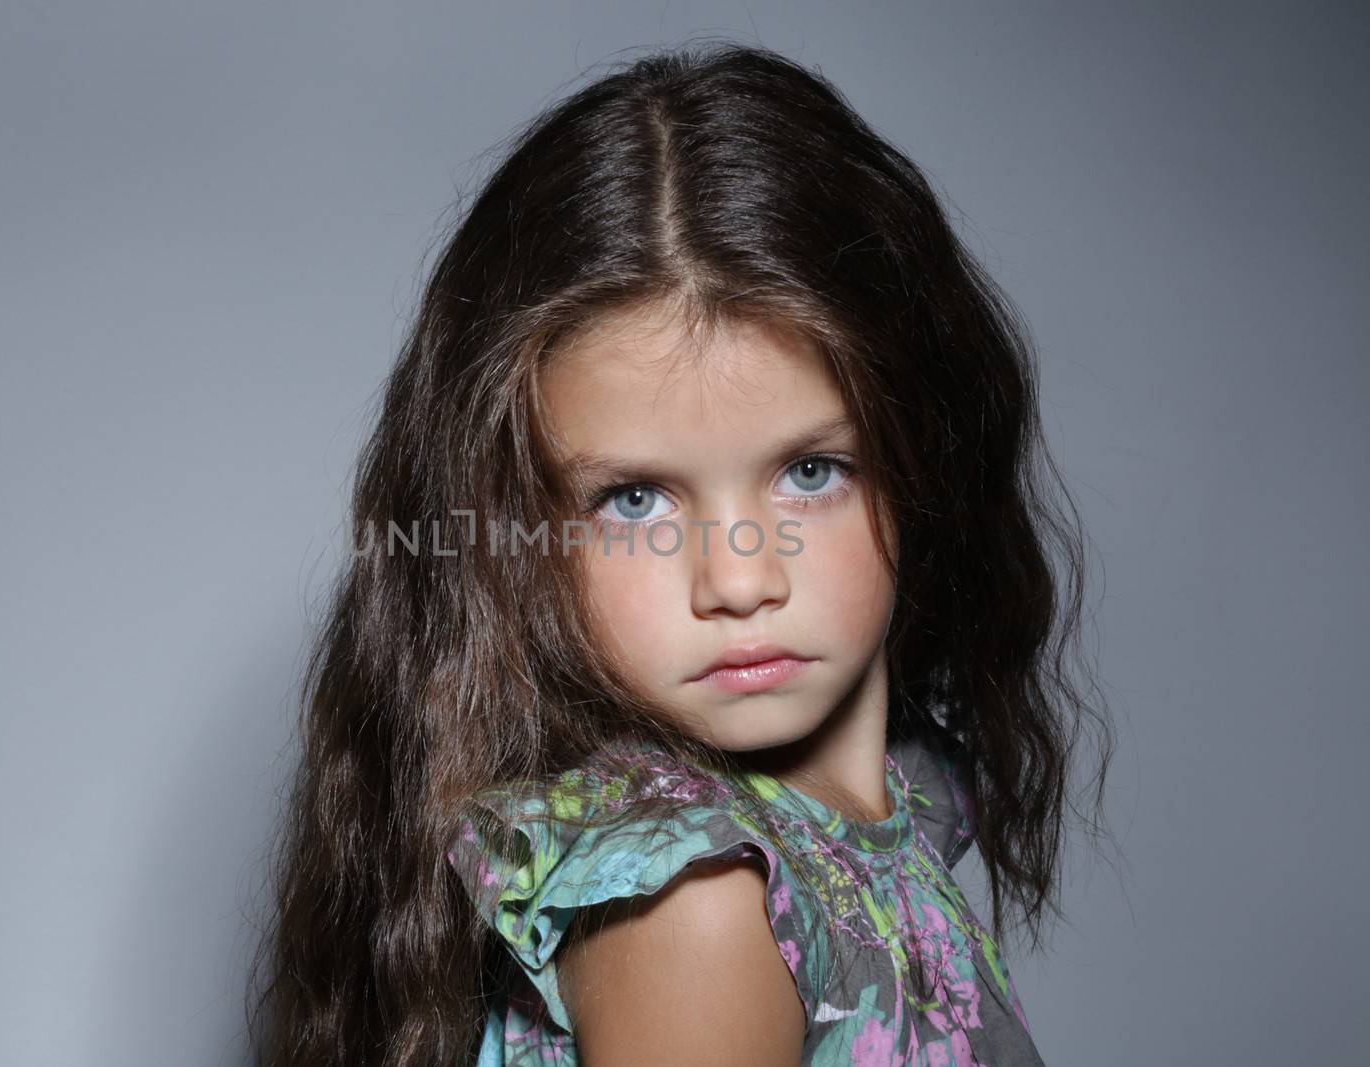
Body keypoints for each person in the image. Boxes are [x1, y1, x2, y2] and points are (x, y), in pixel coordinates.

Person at [247, 40, 1115, 1067]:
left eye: (809, 471)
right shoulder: (699, 900)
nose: (741, 580)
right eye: (635, 498)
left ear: (926, 448)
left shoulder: (894, 799)